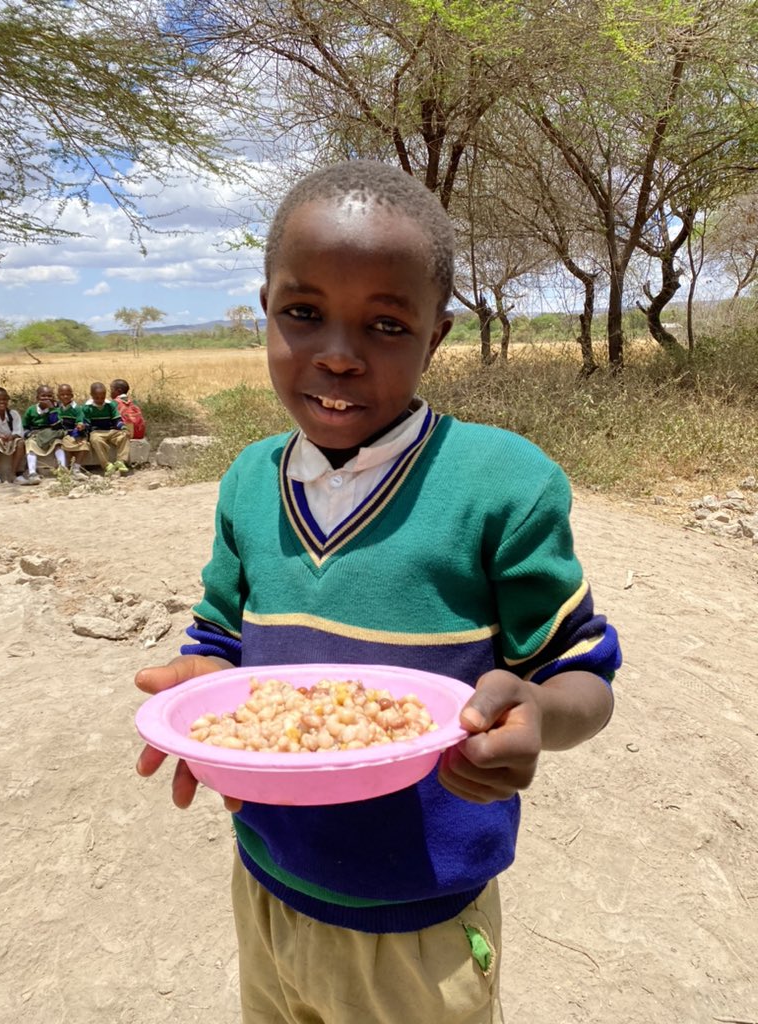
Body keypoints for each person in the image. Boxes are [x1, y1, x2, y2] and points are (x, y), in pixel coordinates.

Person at [135, 161, 621, 1024]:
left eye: (386, 323)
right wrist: (193, 684)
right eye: (303, 313)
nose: (337, 354)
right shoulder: (249, 481)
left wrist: (540, 718)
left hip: (419, 929)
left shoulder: (499, 485)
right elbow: (220, 636)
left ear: (436, 335)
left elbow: (581, 671)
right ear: (265, 309)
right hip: (268, 883)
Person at [22, 384, 67, 482]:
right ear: (37, 397)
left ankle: (63, 469)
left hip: (51, 433)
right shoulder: (31, 410)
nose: (46, 398)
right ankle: (32, 473)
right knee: (30, 445)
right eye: (43, 396)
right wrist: (28, 434)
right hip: (36, 434)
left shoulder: (55, 409)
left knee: (58, 443)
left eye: (49, 396)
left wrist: (51, 409)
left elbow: (56, 425)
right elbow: (25, 426)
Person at [83, 381, 130, 473]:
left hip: (111, 430)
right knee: (96, 440)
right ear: (91, 395)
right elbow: (87, 423)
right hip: (97, 432)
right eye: (97, 398)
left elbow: (117, 420)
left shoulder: (110, 405)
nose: (100, 400)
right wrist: (84, 430)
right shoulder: (87, 408)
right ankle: (106, 464)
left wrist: (123, 427)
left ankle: (121, 461)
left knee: (124, 436)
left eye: (102, 397)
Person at [0, 386, 31, 484]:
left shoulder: (13, 414)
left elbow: (18, 432)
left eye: (4, 399)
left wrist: (11, 437)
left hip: (10, 441)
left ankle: (14, 474)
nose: (2, 402)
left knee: (21, 443)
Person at [56, 383, 90, 476]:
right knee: (63, 445)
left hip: (74, 433)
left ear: (72, 395)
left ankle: (76, 468)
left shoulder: (77, 409)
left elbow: (79, 422)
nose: (65, 396)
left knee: (84, 445)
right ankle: (67, 467)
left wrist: (78, 431)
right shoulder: (57, 408)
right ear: (58, 396)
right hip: (62, 433)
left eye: (67, 394)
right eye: (62, 395)